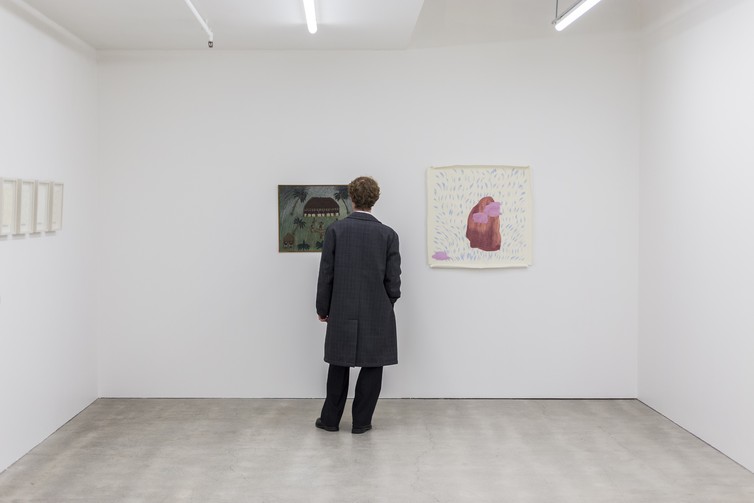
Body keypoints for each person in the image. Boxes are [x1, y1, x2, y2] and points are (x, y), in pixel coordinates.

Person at [315, 176, 401, 434]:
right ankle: (361, 423)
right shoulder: (388, 235)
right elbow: (393, 280)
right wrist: (388, 303)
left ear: (351, 198)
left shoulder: (336, 231)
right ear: (374, 199)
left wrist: (323, 308)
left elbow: (326, 274)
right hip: (377, 310)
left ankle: (330, 421)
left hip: (342, 308)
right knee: (373, 365)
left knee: (338, 364)